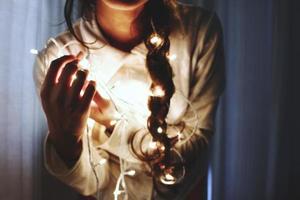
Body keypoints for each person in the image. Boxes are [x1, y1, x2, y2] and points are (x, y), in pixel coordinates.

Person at [33, 0, 225, 199]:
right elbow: (91, 182)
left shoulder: (198, 30)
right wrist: (67, 141)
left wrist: (114, 125)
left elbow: (196, 144)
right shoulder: (59, 59)